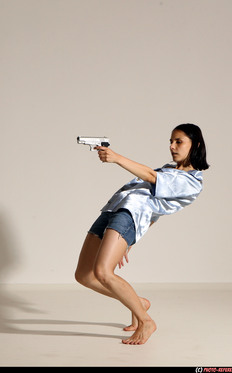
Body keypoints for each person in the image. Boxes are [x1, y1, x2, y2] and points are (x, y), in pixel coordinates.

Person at [74, 123, 209, 345]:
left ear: (196, 145)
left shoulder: (192, 182)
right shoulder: (169, 169)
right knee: (84, 276)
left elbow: (149, 179)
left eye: (179, 141)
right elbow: (155, 207)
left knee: (103, 272)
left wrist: (116, 158)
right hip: (112, 210)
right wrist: (129, 242)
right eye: (171, 141)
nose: (172, 146)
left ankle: (146, 321)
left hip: (128, 215)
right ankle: (138, 302)